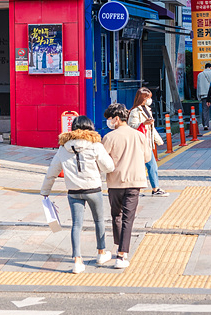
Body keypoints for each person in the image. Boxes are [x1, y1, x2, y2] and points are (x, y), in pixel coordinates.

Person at [40, 116, 115, 274]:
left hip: (74, 192)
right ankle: (101, 253)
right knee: (99, 221)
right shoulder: (95, 145)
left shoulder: (63, 147)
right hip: (93, 189)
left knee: (76, 225)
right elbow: (109, 167)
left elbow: (52, 171)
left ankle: (77, 261)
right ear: (90, 127)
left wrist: (45, 192)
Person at [102, 103, 150, 269]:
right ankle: (122, 255)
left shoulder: (109, 137)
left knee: (116, 215)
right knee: (128, 218)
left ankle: (119, 245)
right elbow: (147, 157)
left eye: (109, 118)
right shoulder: (139, 136)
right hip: (135, 182)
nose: (108, 122)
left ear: (116, 118)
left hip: (115, 182)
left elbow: (102, 160)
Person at [128, 88, 168, 197]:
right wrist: (143, 123)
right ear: (143, 98)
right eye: (148, 97)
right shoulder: (135, 111)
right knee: (145, 166)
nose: (150, 100)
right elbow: (131, 126)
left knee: (151, 166)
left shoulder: (147, 109)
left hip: (146, 143)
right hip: (139, 143)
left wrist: (158, 140)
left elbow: (151, 128)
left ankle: (154, 188)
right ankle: (148, 188)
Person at [196, 63, 211, 130]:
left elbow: (198, 86)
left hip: (204, 95)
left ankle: (205, 125)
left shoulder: (200, 75)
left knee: (205, 110)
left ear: (205, 67)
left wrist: (198, 96)